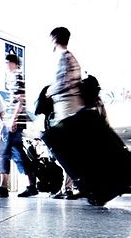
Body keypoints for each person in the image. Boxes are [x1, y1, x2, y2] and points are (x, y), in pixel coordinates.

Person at [0, 52, 38, 198]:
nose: (5, 66)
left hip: (13, 122)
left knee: (2, 152)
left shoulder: (17, 75)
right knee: (18, 154)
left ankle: (2, 188)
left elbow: (21, 99)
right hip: (15, 121)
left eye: (6, 63)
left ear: (12, 63)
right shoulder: (15, 75)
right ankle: (32, 186)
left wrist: (13, 119)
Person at [48, 26, 82, 200]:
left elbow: (62, 83)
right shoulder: (71, 58)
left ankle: (69, 187)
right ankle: (67, 187)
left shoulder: (63, 57)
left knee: (64, 150)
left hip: (66, 107)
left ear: (54, 39)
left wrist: (48, 91)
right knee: (67, 150)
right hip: (71, 106)